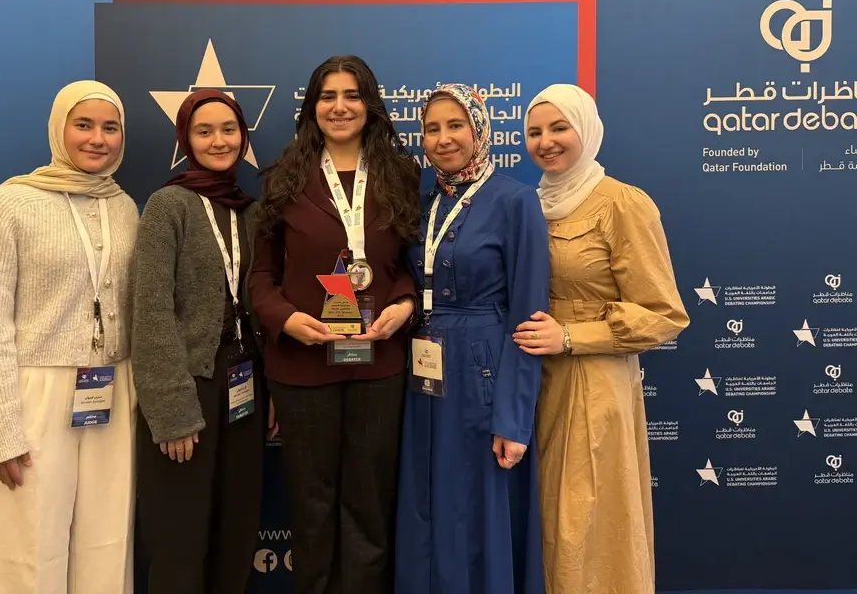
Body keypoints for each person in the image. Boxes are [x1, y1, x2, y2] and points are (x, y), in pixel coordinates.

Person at [248, 54, 421, 594]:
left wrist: (405, 304)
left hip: (379, 365)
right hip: (301, 368)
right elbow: (260, 277)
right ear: (312, 107)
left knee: (370, 504)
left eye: (352, 95)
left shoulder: (401, 175)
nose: (340, 107)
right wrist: (286, 319)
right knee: (311, 505)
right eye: (328, 96)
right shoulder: (282, 178)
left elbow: (409, 267)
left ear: (370, 105)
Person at [514, 83, 690, 594]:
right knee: (545, 521)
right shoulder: (529, 204)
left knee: (584, 526)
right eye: (534, 132)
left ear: (587, 131)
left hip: (591, 387)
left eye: (559, 128)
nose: (545, 142)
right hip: (534, 382)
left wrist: (571, 336)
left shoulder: (621, 203)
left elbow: (664, 314)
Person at [0, 80, 139, 594]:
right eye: (83, 125)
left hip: (113, 388)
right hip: (34, 394)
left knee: (109, 544)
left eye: (110, 127)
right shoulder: (9, 204)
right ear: (59, 129)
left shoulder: (125, 206)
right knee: (31, 546)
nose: (97, 139)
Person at [395, 84, 549, 594]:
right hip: (423, 373)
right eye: (432, 128)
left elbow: (529, 316)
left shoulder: (517, 201)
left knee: (476, 508)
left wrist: (513, 418)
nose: (443, 139)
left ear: (480, 130)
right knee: (427, 501)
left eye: (455, 125)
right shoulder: (423, 201)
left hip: (484, 374)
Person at [131, 89, 268, 594]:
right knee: (180, 539)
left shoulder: (251, 213)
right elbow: (151, 312)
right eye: (204, 131)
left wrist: (271, 390)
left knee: (236, 533)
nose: (219, 141)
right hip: (188, 388)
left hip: (245, 386)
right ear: (186, 139)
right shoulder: (168, 206)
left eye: (229, 130)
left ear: (243, 137)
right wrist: (171, 412)